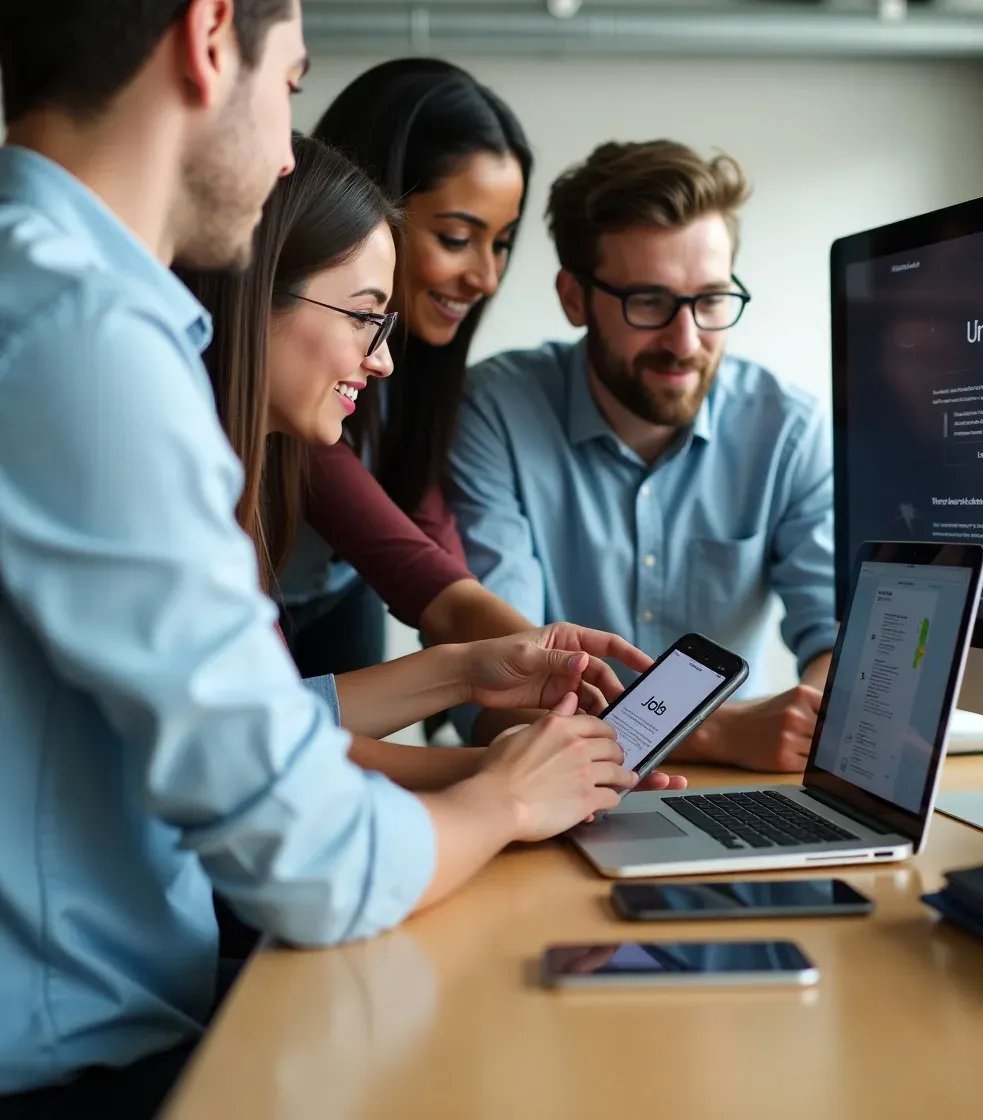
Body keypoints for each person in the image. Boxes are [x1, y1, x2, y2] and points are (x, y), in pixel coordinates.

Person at [0, 5, 638, 1114]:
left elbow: (208, 726)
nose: (290, 152)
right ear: (210, 37)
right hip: (75, 1061)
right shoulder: (84, 340)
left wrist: (463, 676)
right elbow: (314, 862)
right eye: (290, 84)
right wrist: (498, 802)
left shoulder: (49, 299)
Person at [181, 130, 686, 796]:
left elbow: (265, 717)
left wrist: (469, 672)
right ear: (257, 291)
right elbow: (241, 746)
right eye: (363, 316)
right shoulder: (179, 494)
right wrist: (502, 784)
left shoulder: (231, 469)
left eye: (501, 244)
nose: (383, 361)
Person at [447, 140, 838, 772]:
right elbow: (497, 684)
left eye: (711, 300)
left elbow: (839, 640)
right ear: (575, 298)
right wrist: (710, 732)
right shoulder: (494, 412)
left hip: (737, 784)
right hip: (541, 783)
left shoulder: (788, 430)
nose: (685, 342)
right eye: (649, 302)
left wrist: (811, 718)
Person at [275, 58, 537, 680]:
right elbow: (417, 570)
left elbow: (428, 532)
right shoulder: (297, 377)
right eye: (456, 238)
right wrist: (571, 671)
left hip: (337, 592)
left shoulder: (404, 363)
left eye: (501, 242)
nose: (487, 277)